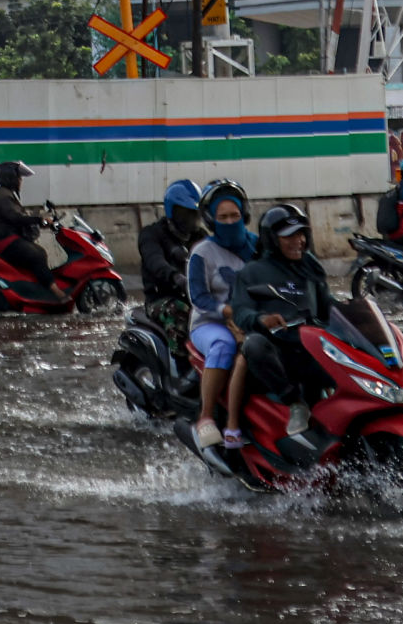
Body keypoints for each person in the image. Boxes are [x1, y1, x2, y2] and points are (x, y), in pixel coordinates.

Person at [230, 205, 338, 421]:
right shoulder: (252, 272)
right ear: (272, 239)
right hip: (278, 354)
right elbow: (240, 312)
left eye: (301, 234)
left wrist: (356, 311)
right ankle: (294, 402)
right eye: (289, 236)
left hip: (312, 349)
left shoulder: (310, 267)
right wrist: (262, 320)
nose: (298, 241)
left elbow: (328, 304)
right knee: (254, 345)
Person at [185, 202, 251, 450]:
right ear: (211, 220)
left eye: (235, 215)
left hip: (249, 319)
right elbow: (198, 297)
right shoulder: (202, 252)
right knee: (224, 345)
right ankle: (206, 415)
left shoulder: (255, 246)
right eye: (223, 217)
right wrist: (227, 311)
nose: (231, 221)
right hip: (210, 323)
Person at [140, 179, 208, 338]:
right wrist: (176, 277)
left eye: (195, 213)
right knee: (178, 311)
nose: (192, 218)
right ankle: (180, 361)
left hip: (197, 297)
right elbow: (154, 261)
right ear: (173, 211)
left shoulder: (201, 237)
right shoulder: (151, 234)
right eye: (187, 213)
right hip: (161, 299)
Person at [0, 159, 50, 291]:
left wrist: (39, 220)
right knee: (38, 255)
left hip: (8, 237)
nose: (21, 180)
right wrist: (38, 219)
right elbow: (16, 217)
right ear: (11, 178)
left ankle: (30, 287)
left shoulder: (7, 194)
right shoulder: (3, 196)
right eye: (19, 177)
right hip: (4, 240)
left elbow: (20, 215)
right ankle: (54, 292)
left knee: (36, 252)